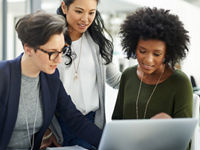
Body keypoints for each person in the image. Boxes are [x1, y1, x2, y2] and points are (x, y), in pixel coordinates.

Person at [0, 11, 102, 150]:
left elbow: (74, 119)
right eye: (52, 52)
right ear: (28, 49)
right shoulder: (3, 76)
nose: (59, 59)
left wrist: (112, 142)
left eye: (61, 51)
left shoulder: (51, 79)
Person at [43, 0, 121, 149]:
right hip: (57, 126)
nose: (86, 19)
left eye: (91, 12)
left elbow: (116, 80)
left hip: (90, 124)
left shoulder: (98, 43)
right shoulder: (49, 42)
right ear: (64, 7)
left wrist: (150, 74)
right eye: (79, 11)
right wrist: (46, 130)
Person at [112, 7, 193, 120]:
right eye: (142, 51)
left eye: (156, 54)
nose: (148, 60)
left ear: (167, 53)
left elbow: (184, 135)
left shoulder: (180, 82)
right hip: (127, 138)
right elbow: (117, 121)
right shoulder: (128, 75)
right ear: (134, 47)